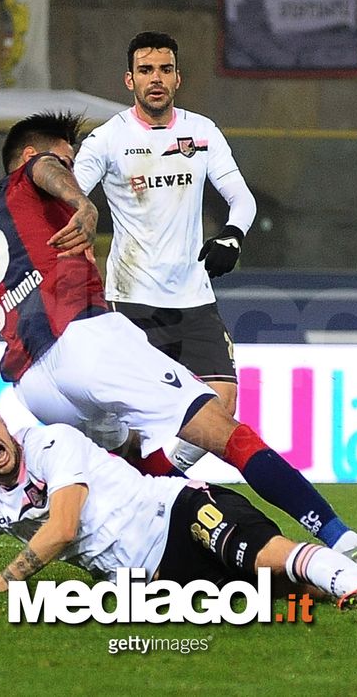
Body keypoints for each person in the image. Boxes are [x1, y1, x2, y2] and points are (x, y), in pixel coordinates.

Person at [0, 110, 357, 566]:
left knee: (134, 463)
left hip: (35, 387)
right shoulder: (33, 175)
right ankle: (343, 541)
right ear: (29, 157)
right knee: (223, 430)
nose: (72, 171)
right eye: (67, 161)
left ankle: (211, 553)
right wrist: (82, 203)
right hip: (85, 340)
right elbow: (45, 167)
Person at [0, 388, 357, 609]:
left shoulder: (50, 443)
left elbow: (62, 526)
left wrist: (4, 583)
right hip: (158, 579)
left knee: (263, 554)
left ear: (1, 419)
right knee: (289, 597)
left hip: (179, 512)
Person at [72, 31, 255, 475]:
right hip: (131, 299)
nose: (156, 78)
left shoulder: (201, 131)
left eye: (165, 69)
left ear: (178, 78)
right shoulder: (107, 139)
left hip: (193, 297)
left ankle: (162, 478)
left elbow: (241, 197)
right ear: (129, 80)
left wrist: (232, 235)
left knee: (223, 404)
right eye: (146, 70)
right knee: (122, 416)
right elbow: (70, 195)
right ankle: (93, 482)